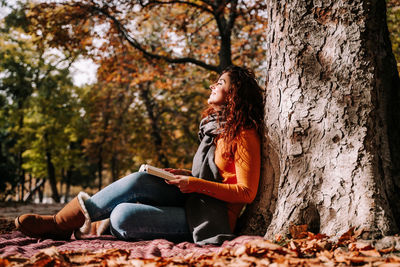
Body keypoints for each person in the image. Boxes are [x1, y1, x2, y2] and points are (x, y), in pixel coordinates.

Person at [15, 65, 263, 245]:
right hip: (197, 199)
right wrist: (184, 175)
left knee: (122, 216)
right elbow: (216, 175)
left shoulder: (243, 134)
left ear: (235, 93)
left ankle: (96, 224)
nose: (213, 85)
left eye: (221, 83)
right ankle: (60, 223)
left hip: (214, 216)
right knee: (139, 179)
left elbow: (246, 192)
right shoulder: (213, 129)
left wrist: (193, 183)